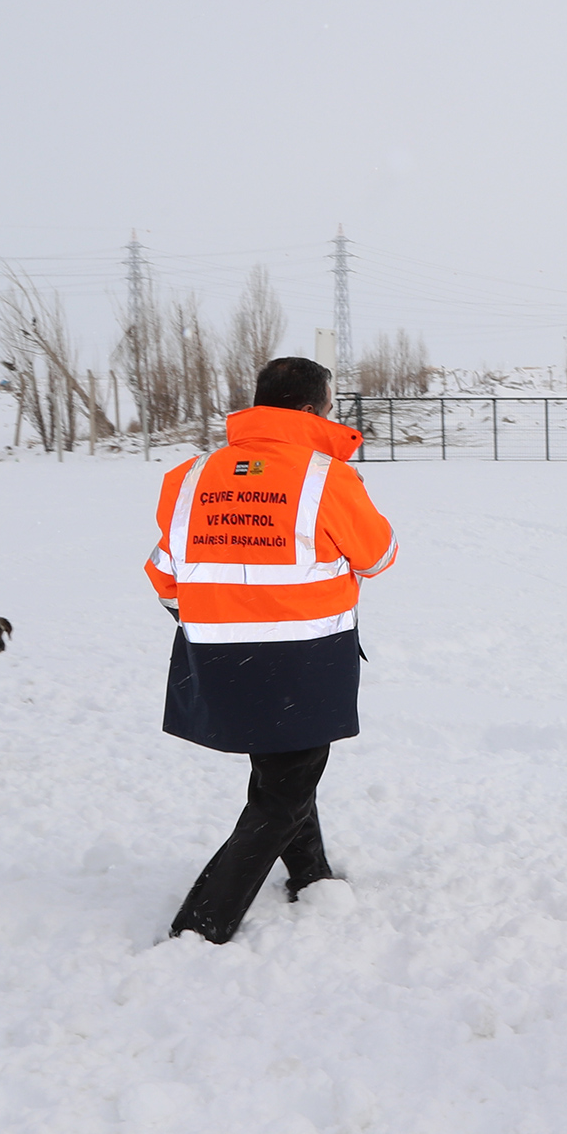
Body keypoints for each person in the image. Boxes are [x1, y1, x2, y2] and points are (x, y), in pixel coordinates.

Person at [145, 356, 397, 944]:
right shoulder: (326, 478)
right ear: (312, 409)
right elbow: (377, 557)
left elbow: (163, 572)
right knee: (282, 793)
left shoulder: (190, 475)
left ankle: (310, 875)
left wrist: (217, 617)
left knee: (283, 769)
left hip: (217, 656)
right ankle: (203, 923)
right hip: (303, 661)